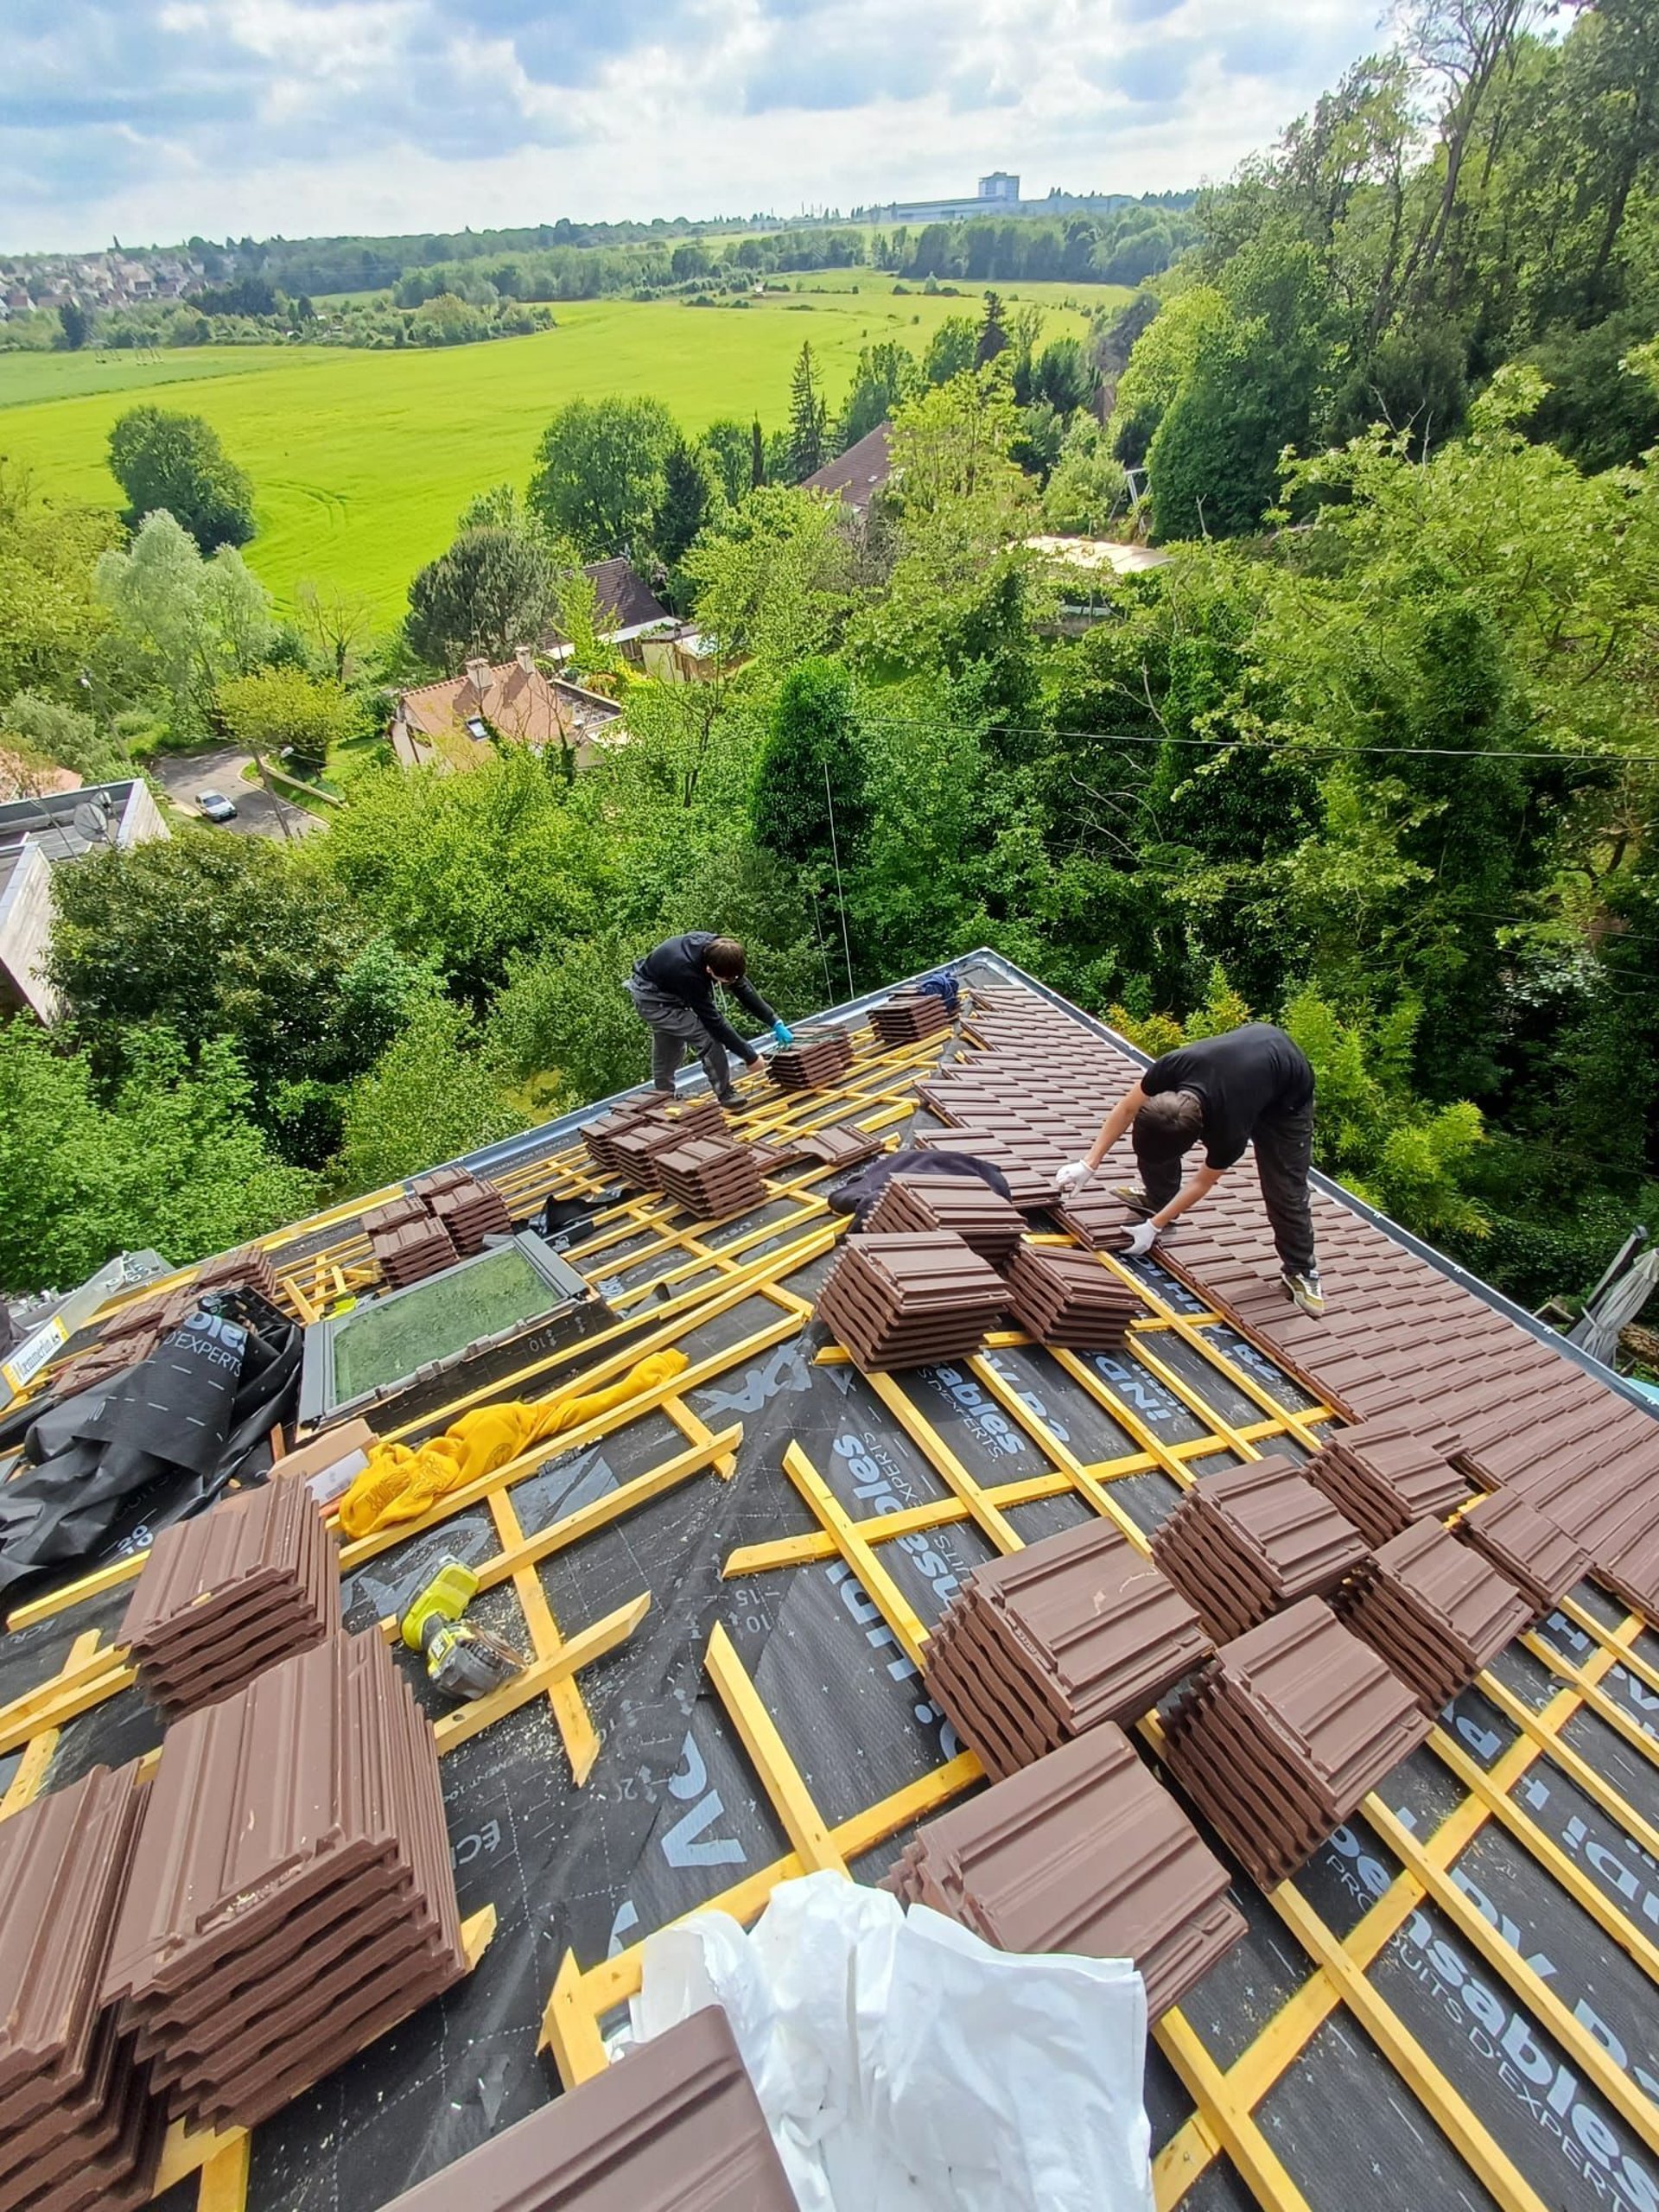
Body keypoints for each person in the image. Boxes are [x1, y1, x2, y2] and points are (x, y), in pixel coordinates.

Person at [1055, 1023, 1324, 1315]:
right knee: (1159, 1137)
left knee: (1284, 1188)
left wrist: (1153, 1227)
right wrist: (1088, 1162)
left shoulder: (1228, 1134)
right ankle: (1159, 1198)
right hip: (1244, 1064)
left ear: (1198, 1138)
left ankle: (1301, 1270)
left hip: (1286, 1098)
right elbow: (1127, 1108)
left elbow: (1202, 1182)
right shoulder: (1172, 1067)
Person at [626, 932, 792, 1107]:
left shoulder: (721, 950)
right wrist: (749, 1056)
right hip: (653, 999)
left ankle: (662, 1096)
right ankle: (726, 1094)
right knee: (707, 1038)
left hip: (670, 987)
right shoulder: (688, 973)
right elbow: (713, 1022)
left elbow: (741, 986)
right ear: (708, 970)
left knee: (669, 1043)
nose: (726, 983)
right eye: (723, 980)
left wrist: (774, 1021)